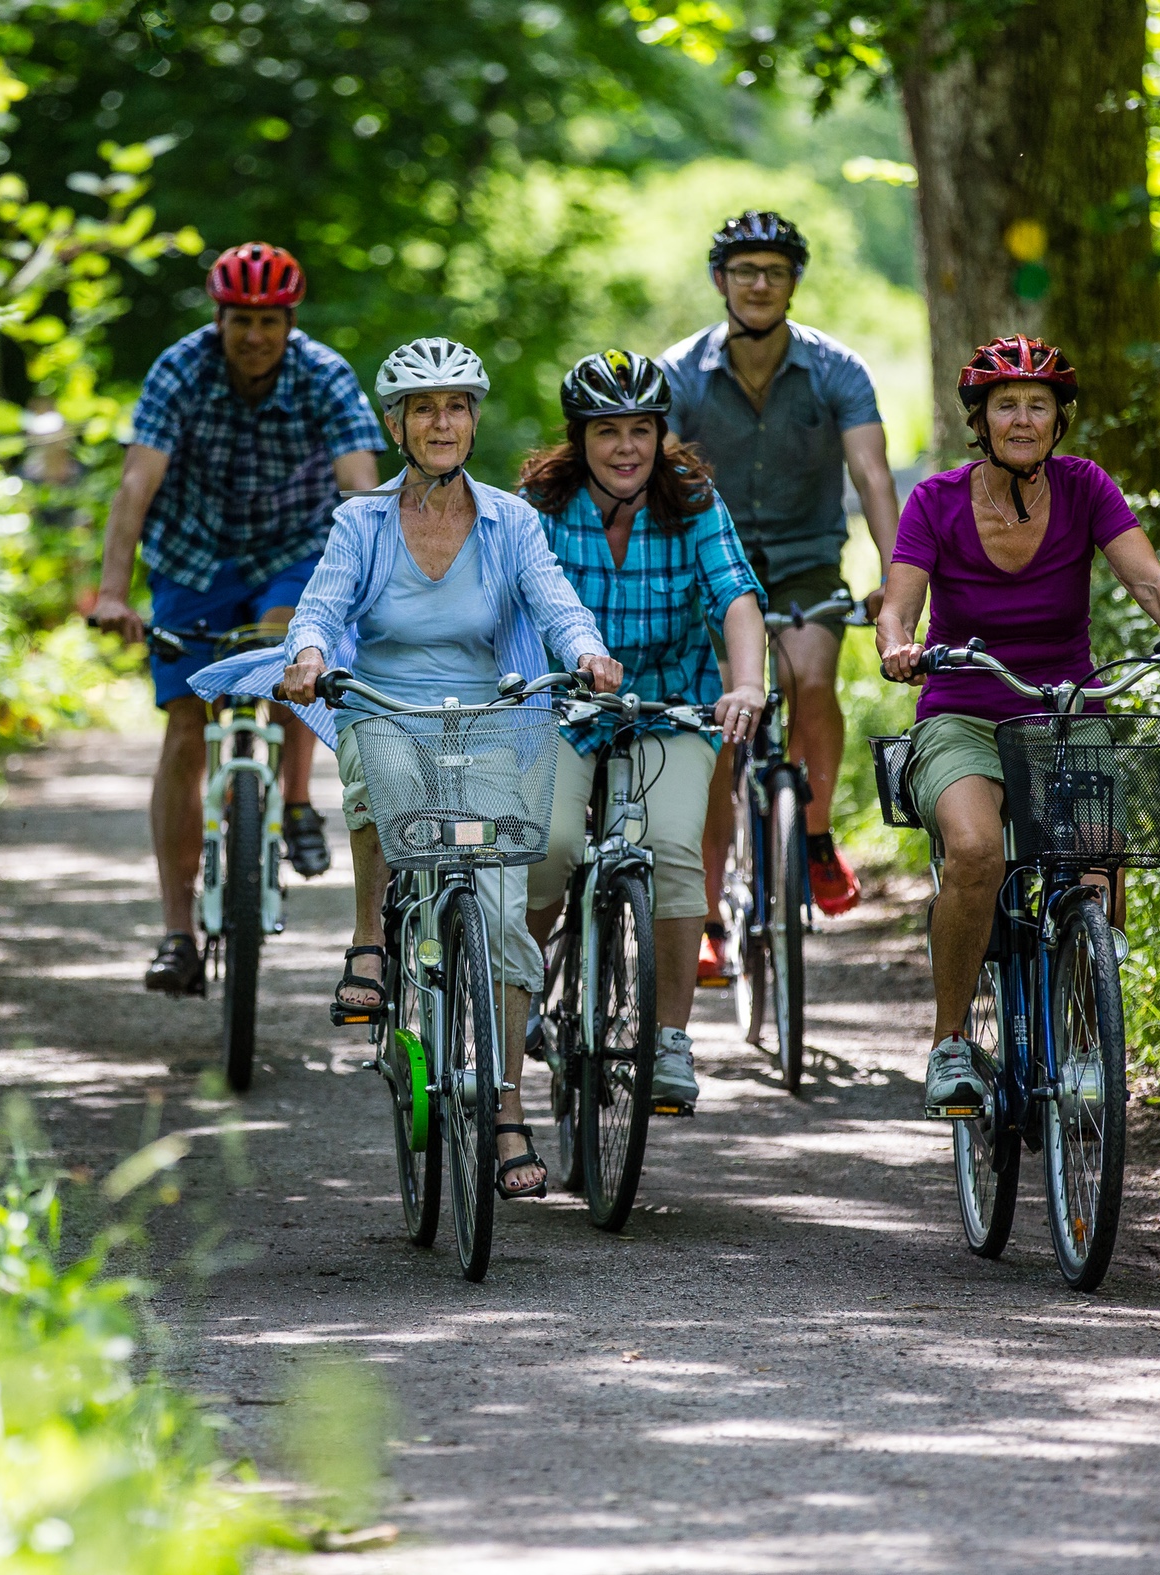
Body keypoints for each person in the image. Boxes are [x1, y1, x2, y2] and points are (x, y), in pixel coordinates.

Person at [196, 338, 621, 1200]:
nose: (441, 422)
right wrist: (308, 654)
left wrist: (588, 651)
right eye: (423, 408)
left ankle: (506, 1108)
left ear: (473, 420)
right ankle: (370, 940)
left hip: (491, 716)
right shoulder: (362, 521)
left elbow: (556, 601)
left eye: (456, 406)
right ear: (396, 425)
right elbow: (322, 604)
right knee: (373, 767)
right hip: (385, 706)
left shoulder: (510, 521)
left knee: (502, 920)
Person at [875, 335, 1160, 1117]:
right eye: (1005, 404)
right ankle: (949, 1043)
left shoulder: (1085, 487)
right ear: (980, 420)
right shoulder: (935, 500)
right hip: (963, 712)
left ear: (1059, 420)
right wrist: (899, 645)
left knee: (1100, 853)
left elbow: (1148, 577)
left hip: (1065, 711)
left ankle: (1081, 1036)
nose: (1022, 419)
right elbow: (898, 601)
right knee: (975, 850)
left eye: (1038, 405)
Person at [91, 242, 385, 997]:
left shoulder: (324, 374)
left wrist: (382, 577)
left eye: (269, 321)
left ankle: (294, 800)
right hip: (193, 558)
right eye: (240, 320)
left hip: (294, 549)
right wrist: (113, 592)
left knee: (292, 647)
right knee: (187, 725)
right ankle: (176, 933)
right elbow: (136, 484)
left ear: (290, 323)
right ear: (218, 319)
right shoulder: (179, 370)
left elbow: (360, 486)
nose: (254, 335)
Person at [518, 350, 768, 1108]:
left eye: (641, 430)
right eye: (607, 431)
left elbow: (736, 596)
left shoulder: (691, 499)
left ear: (662, 434)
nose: (626, 447)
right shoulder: (539, 504)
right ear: (579, 438)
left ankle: (669, 1040)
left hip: (672, 705)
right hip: (565, 709)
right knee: (550, 845)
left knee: (672, 848)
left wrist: (747, 683)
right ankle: (521, 984)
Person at [660, 210, 902, 976]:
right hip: (710, 570)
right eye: (744, 272)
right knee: (714, 731)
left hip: (804, 565)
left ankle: (816, 835)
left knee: (813, 680)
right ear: (720, 281)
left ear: (794, 282)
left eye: (774, 271)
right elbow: (657, 481)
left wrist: (895, 584)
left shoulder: (836, 370)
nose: (759, 284)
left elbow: (872, 476)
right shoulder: (679, 373)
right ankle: (705, 911)